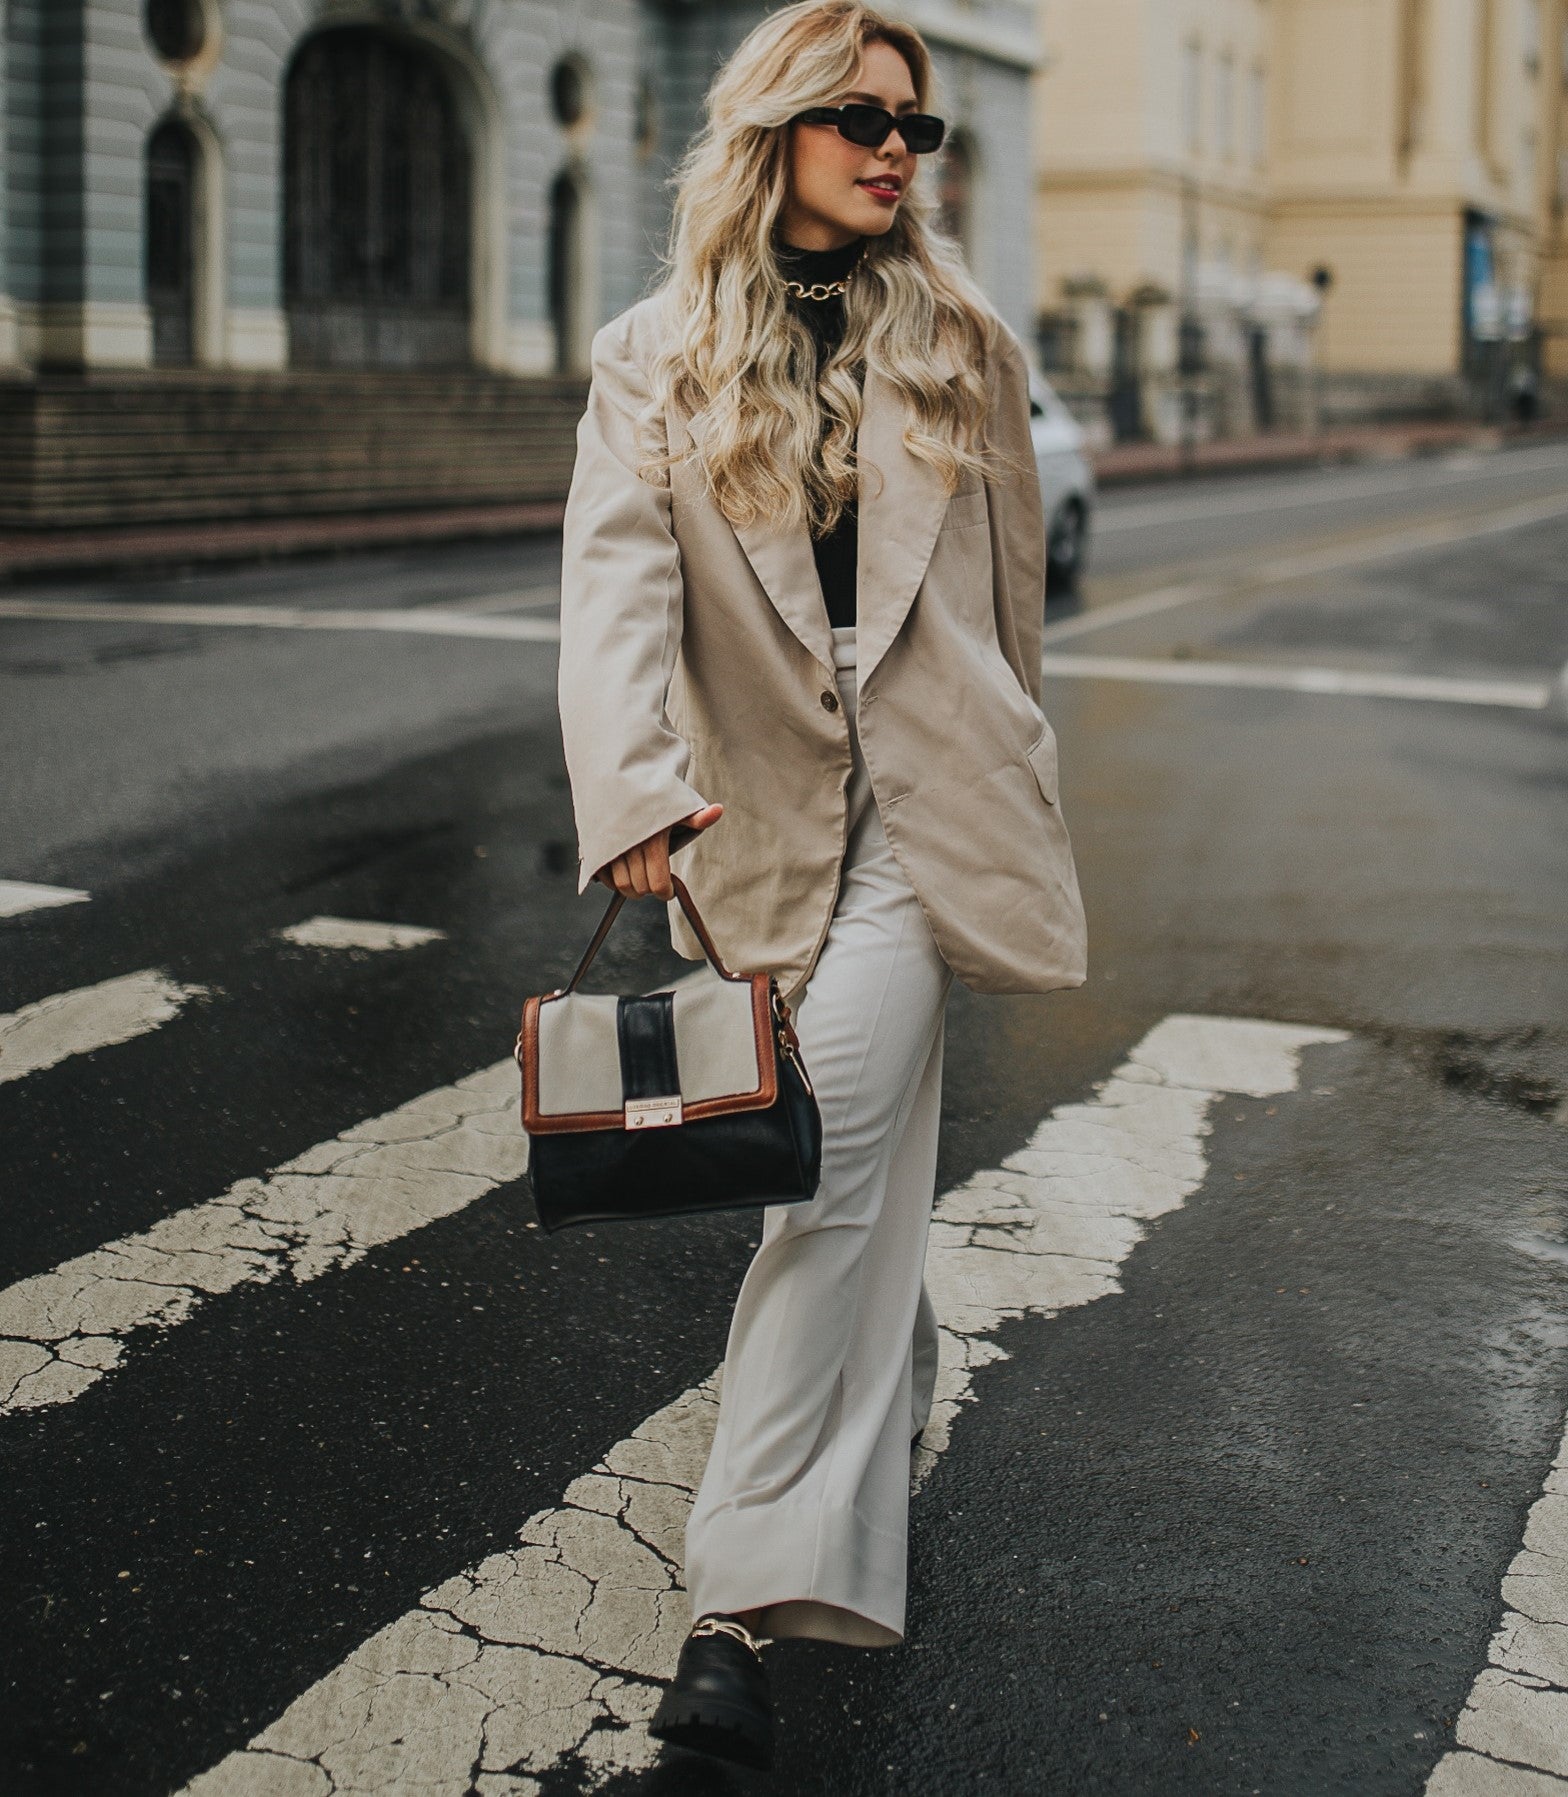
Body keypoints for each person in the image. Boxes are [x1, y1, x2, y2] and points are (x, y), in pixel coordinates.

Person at [555, 0, 1087, 1770]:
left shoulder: (963, 345)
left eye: (913, 128)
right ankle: (896, 1382)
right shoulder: (657, 353)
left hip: (923, 828)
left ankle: (732, 1601)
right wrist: (632, 785)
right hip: (757, 831)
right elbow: (618, 588)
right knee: (859, 1176)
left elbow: (1011, 607)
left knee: (827, 1161)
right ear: (772, 125)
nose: (893, 150)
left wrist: (1019, 779)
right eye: (860, 116)